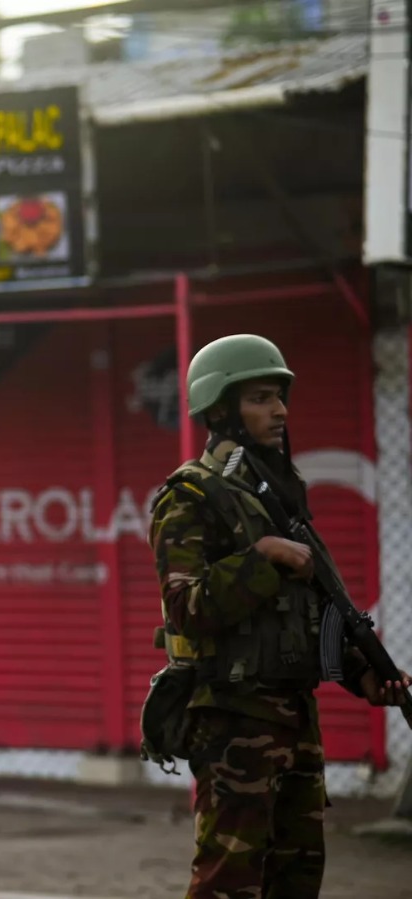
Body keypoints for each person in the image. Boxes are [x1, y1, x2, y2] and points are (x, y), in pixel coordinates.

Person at [145, 333, 410, 899]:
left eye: (279, 397)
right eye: (261, 398)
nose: (280, 411)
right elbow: (187, 608)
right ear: (221, 409)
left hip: (296, 719)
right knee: (229, 883)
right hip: (233, 721)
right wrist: (260, 559)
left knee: (296, 878)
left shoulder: (279, 495)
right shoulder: (191, 496)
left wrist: (361, 672)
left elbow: (309, 609)